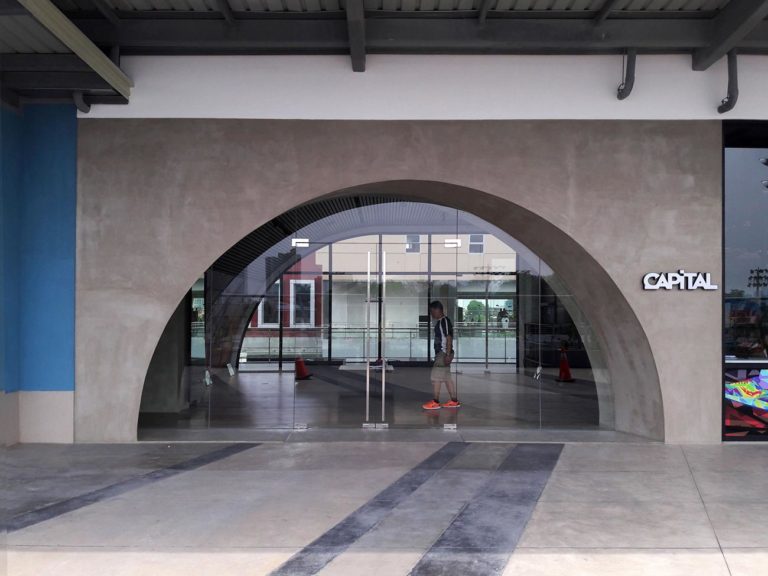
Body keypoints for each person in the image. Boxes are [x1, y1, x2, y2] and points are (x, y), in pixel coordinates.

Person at [422, 300, 461, 410]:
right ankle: (454, 401)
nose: (431, 314)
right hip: (444, 353)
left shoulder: (444, 321)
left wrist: (447, 354)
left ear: (437, 310)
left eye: (432, 311)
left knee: (436, 378)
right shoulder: (442, 322)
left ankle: (435, 402)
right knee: (447, 378)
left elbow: (449, 337)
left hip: (443, 354)